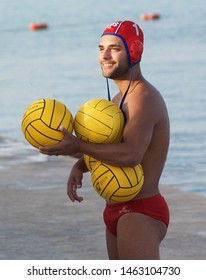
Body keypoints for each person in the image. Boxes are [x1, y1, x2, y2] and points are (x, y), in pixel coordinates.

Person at [39, 20, 170, 260]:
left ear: (135, 51)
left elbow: (131, 155)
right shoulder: (119, 98)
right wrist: (80, 165)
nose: (105, 55)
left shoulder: (143, 97)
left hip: (140, 211)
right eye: (101, 49)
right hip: (114, 208)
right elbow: (111, 149)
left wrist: (77, 146)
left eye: (114, 48)